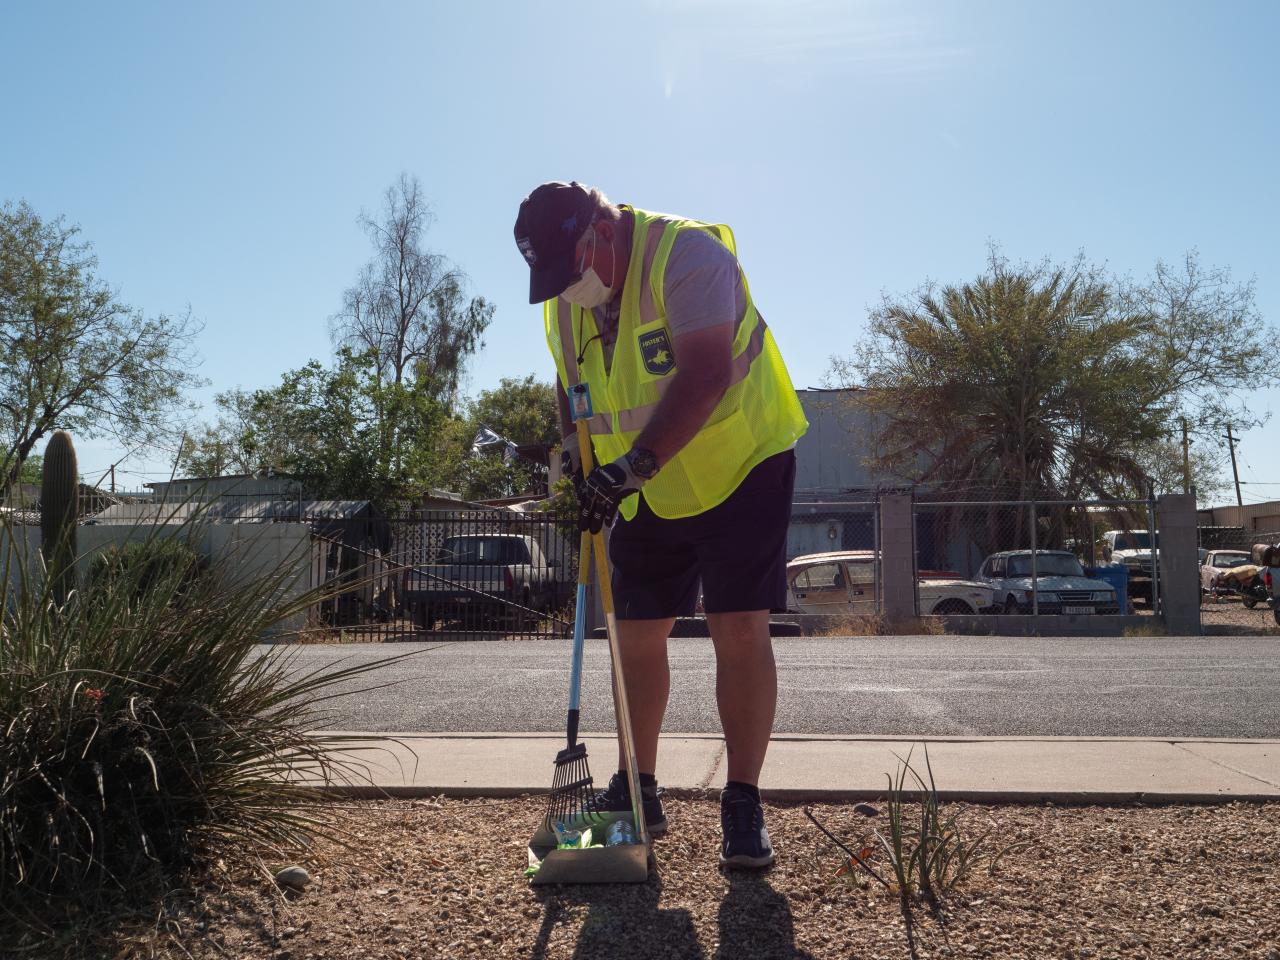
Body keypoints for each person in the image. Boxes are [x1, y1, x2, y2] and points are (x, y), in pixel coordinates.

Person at [513, 181, 808, 868]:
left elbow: (703, 375)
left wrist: (628, 469)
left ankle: (742, 801)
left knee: (737, 628)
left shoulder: (689, 258)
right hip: (643, 485)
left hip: (741, 463)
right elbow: (570, 382)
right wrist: (575, 458)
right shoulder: (563, 302)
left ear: (602, 234)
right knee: (635, 635)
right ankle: (637, 789)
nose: (569, 290)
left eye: (573, 270)